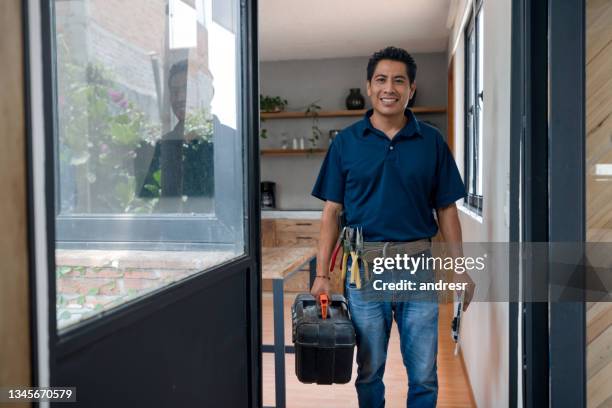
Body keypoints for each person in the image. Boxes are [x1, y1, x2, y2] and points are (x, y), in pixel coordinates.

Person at [310, 46, 474, 408]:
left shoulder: (431, 141)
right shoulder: (346, 144)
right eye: (381, 79)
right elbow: (331, 212)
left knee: (424, 375)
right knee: (369, 371)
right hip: (363, 269)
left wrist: (459, 270)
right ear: (369, 87)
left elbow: (446, 209)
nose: (390, 88)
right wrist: (322, 273)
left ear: (411, 89)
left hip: (417, 267)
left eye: (399, 80)